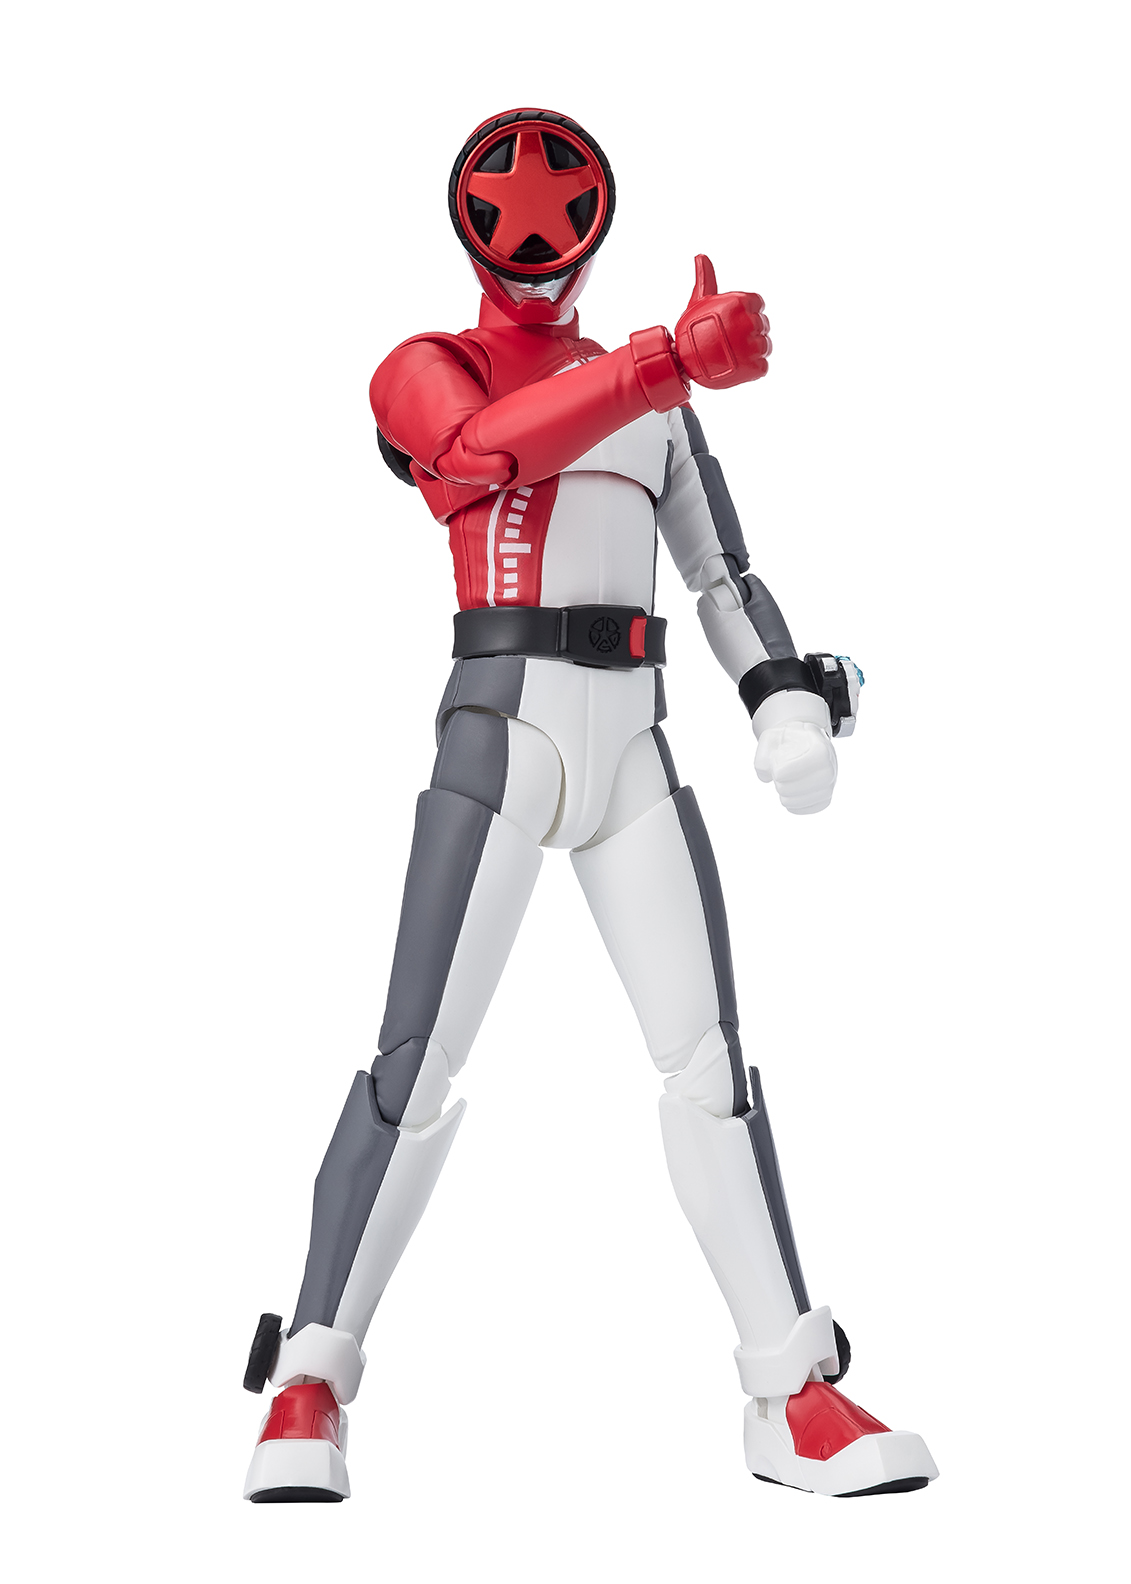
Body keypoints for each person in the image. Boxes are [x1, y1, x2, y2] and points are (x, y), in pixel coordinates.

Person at [242, 108, 937, 1503]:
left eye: (560, 215)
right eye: (510, 218)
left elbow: (723, 577)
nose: (537, 244)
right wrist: (659, 361)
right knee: (413, 1068)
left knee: (711, 1069)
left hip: (634, 746)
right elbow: (479, 452)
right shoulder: (428, 367)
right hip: (499, 734)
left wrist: (781, 697)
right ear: (469, 229)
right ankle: (309, 1377)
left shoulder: (657, 402)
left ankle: (791, 1388)